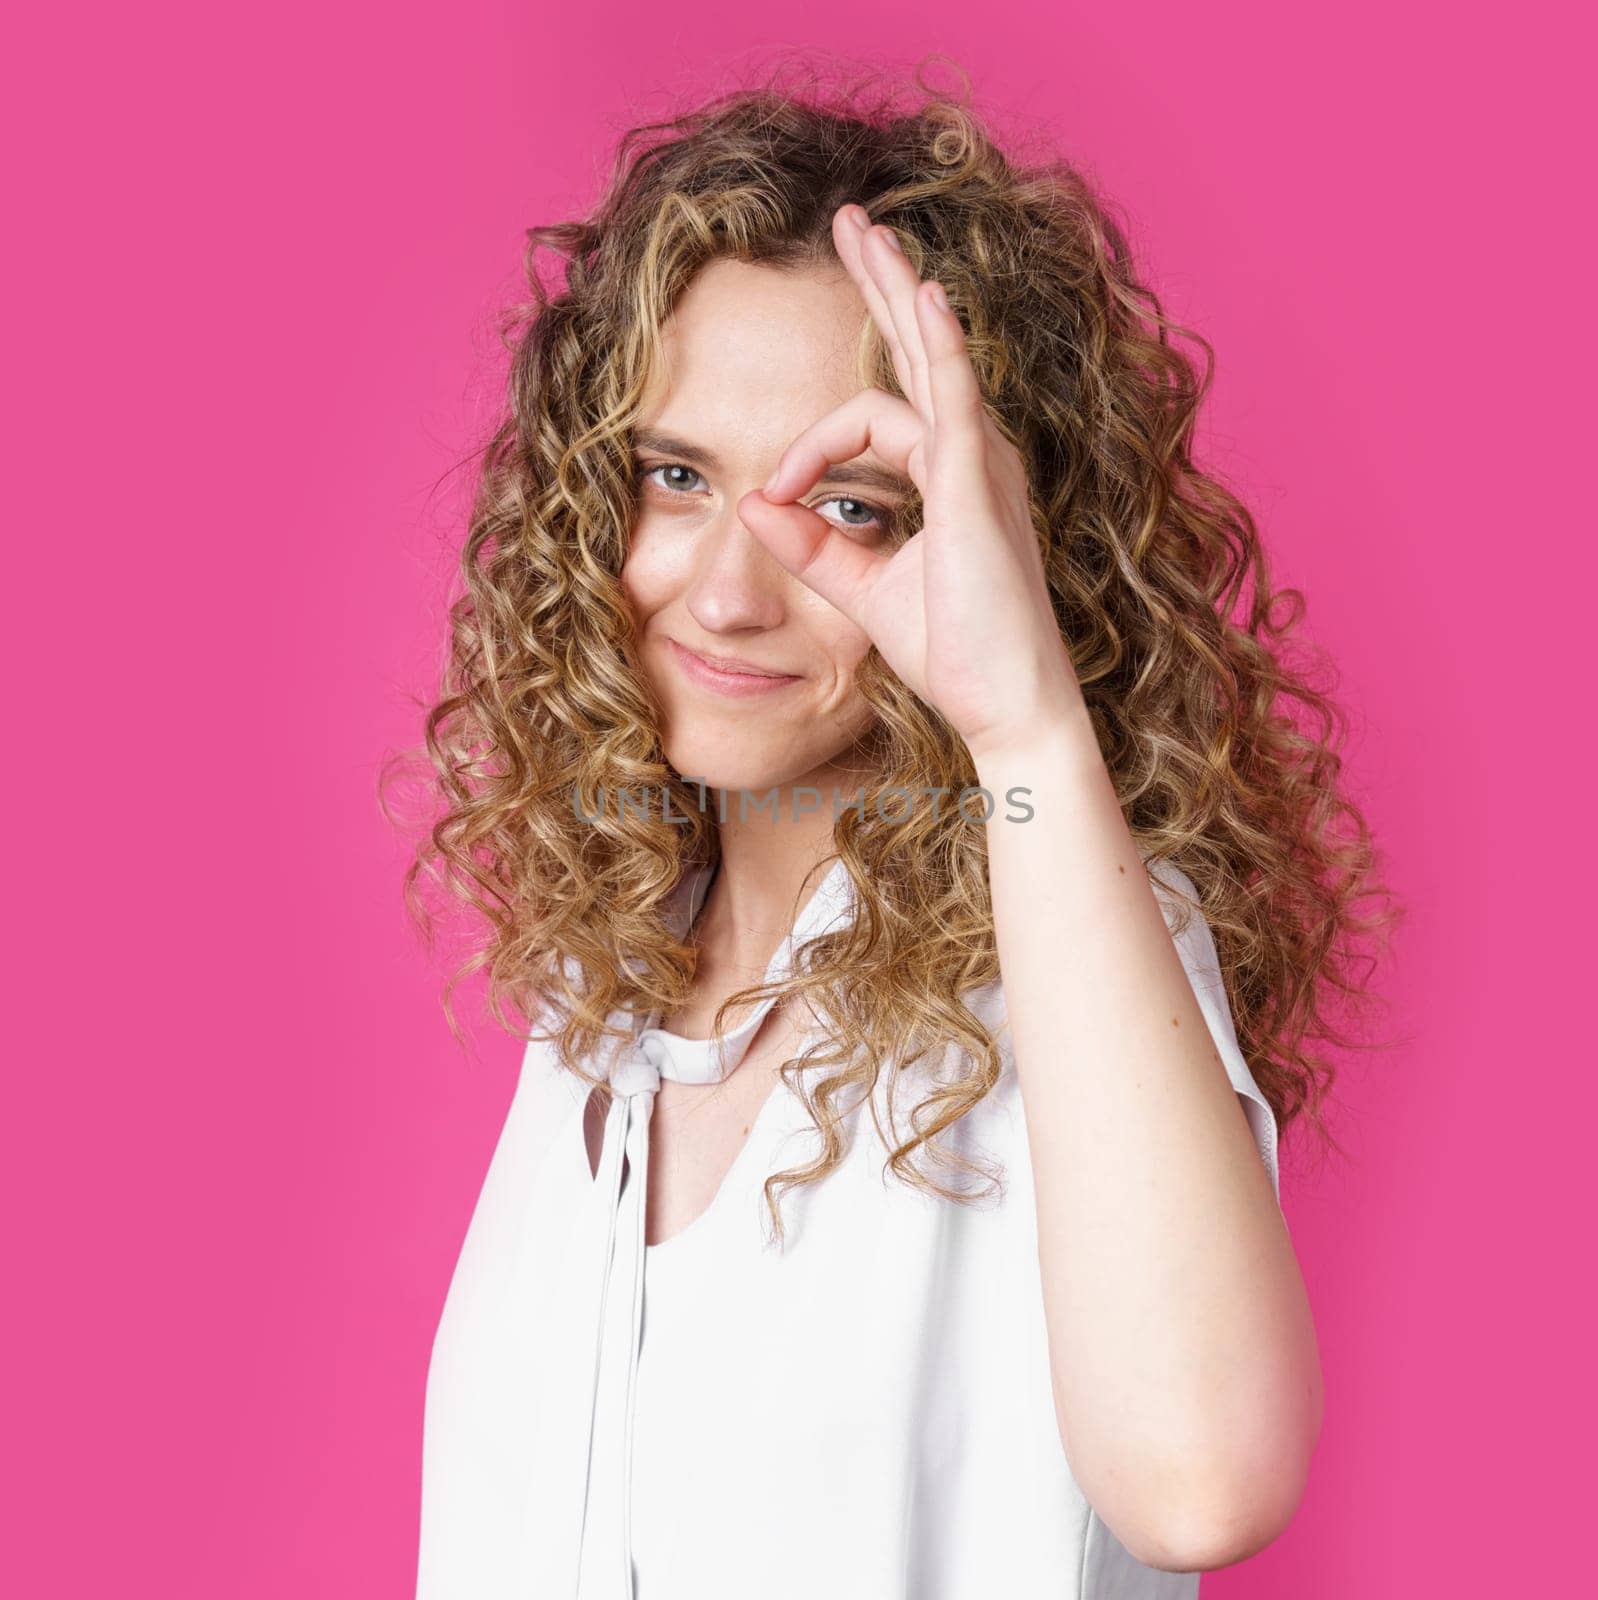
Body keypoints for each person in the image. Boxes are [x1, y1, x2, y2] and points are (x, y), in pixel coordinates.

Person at [394, 61, 1394, 1600]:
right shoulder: (595, 1003)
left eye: (848, 504)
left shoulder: (1068, 962)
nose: (729, 592)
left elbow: (1204, 1483)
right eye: (676, 479)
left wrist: (1023, 723)